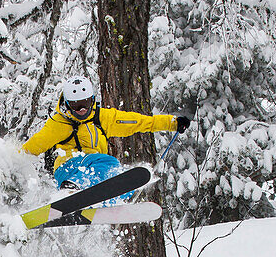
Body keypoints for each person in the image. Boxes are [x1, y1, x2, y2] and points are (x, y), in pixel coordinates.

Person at [21, 76, 192, 195]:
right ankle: (71, 190)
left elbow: (138, 122)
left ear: (92, 99)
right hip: (67, 169)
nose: (81, 110)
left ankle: (103, 200)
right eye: (76, 105)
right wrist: (10, 164)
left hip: (94, 171)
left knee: (119, 180)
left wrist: (172, 123)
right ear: (67, 104)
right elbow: (35, 145)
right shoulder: (59, 123)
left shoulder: (103, 118)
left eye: (85, 103)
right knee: (108, 162)